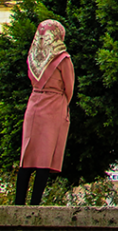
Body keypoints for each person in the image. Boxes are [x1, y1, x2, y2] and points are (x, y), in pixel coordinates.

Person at [15, 19, 74, 205]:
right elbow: (69, 87)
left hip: (34, 104)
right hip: (54, 105)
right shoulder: (63, 59)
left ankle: (18, 202)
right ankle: (35, 203)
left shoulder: (32, 58)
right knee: (44, 157)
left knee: (27, 154)